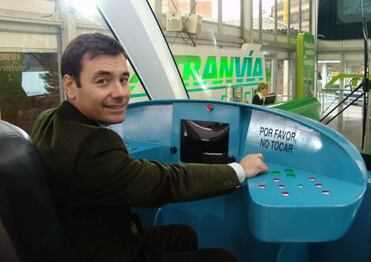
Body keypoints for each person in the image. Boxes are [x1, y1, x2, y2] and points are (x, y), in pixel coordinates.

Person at [31, 32, 268, 262]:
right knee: (223, 258)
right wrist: (238, 170)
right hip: (109, 252)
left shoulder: (49, 120)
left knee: (182, 235)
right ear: (71, 85)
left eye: (123, 79)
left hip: (86, 238)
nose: (121, 93)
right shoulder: (92, 146)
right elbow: (165, 183)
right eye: (103, 81)